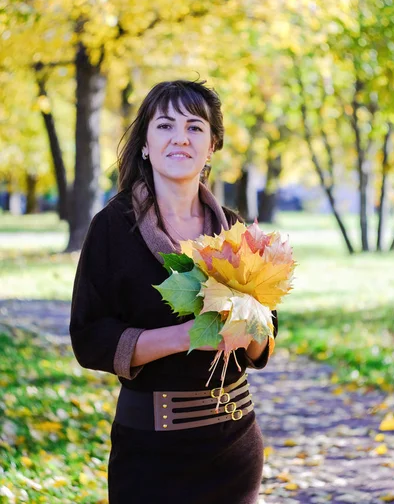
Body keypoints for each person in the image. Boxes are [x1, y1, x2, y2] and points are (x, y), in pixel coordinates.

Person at [69, 79, 278, 504]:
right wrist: (185, 338)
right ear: (145, 143)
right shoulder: (111, 227)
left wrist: (249, 330)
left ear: (213, 145)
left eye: (195, 127)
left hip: (236, 446)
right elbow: (89, 338)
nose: (180, 137)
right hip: (151, 455)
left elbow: (265, 339)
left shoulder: (236, 231)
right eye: (165, 125)